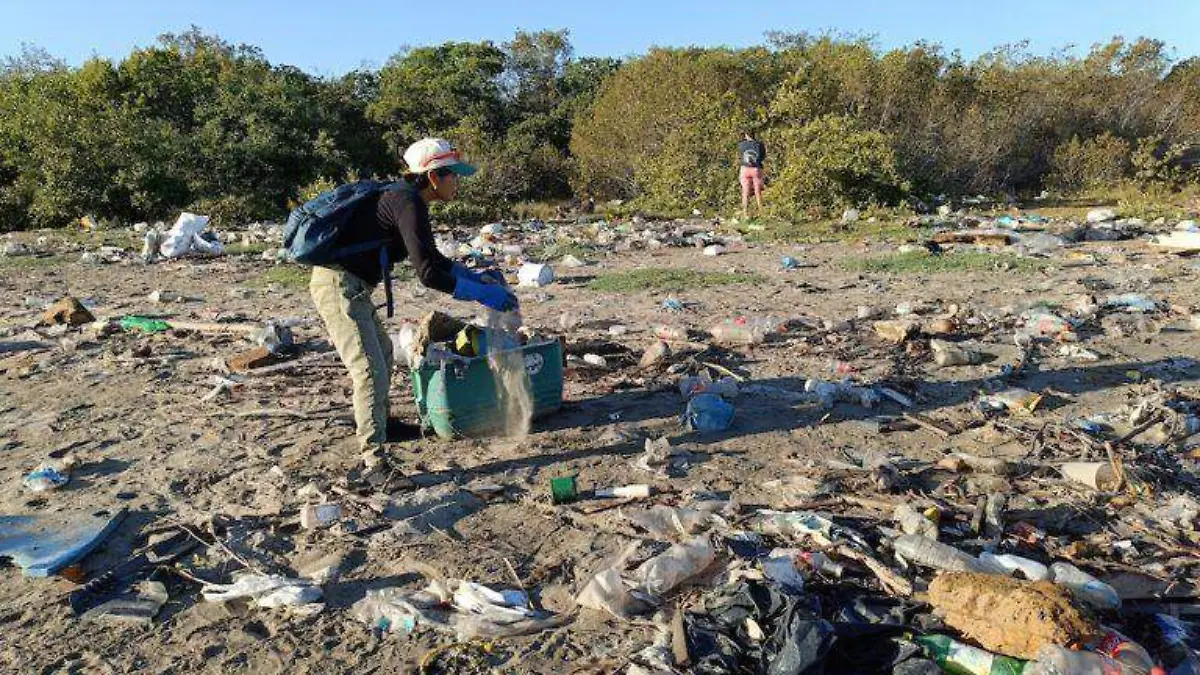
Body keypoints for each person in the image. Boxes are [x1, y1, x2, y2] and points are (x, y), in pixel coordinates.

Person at [309, 137, 517, 462]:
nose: (457, 181)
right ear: (433, 176)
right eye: (453, 174)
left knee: (384, 351)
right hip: (338, 286)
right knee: (368, 369)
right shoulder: (407, 202)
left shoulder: (405, 199)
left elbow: (433, 260)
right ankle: (373, 460)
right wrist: (482, 294)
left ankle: (384, 426)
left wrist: (477, 278)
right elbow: (429, 275)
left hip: (353, 287)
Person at [737, 131, 766, 219]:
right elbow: (763, 156)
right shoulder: (759, 144)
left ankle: (745, 213)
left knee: (745, 192)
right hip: (756, 169)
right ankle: (761, 212)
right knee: (758, 192)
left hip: (745, 169)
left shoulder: (741, 145)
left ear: (746, 135)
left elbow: (741, 155)